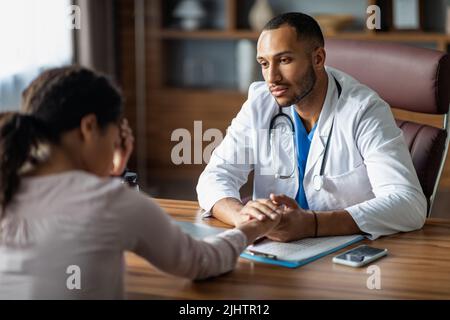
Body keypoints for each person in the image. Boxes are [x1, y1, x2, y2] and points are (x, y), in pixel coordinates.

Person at [0, 66, 280, 299]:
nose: (114, 147)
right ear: (88, 128)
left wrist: (111, 173)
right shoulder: (112, 201)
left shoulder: (8, 179)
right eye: (113, 135)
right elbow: (200, 262)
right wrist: (249, 228)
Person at [197, 12, 427, 242]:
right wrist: (241, 216)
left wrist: (313, 224)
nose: (272, 77)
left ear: (318, 59)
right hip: (274, 251)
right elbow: (215, 175)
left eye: (284, 60)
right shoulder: (260, 102)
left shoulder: (364, 110)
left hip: (345, 256)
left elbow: (409, 204)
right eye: (264, 64)